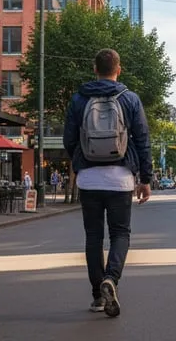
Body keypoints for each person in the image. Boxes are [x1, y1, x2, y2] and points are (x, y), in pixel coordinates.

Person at [63, 48, 152, 318]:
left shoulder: (79, 99)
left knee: (93, 237)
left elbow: (69, 139)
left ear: (95, 69)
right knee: (120, 234)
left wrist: (80, 162)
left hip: (89, 178)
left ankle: (97, 296)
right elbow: (142, 140)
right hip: (121, 178)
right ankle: (111, 278)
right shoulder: (130, 98)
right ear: (118, 70)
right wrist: (145, 179)